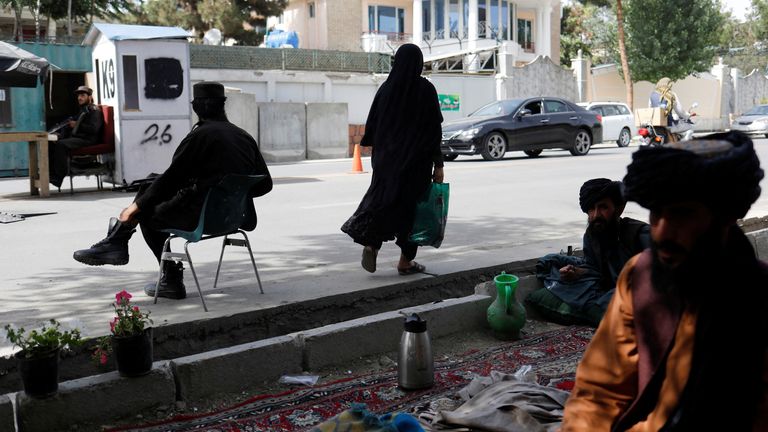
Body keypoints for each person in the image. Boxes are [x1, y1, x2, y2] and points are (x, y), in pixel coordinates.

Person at [561, 131, 768, 431]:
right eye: (656, 214)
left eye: (682, 215)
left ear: (725, 217)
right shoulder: (639, 276)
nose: (662, 232)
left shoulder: (758, 297)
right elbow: (599, 392)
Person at [72, 81, 273, 300]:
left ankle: (168, 278)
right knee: (151, 184)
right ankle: (117, 240)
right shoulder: (244, 137)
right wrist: (232, 194)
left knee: (146, 213)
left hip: (202, 219)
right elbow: (265, 184)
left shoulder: (200, 136)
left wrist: (133, 208)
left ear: (195, 107)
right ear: (223, 105)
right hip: (231, 218)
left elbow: (172, 179)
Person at [341, 43, 444, 275]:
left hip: (386, 162)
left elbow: (373, 127)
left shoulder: (386, 89)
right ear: (418, 63)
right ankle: (405, 261)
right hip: (416, 164)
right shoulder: (425, 89)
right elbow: (433, 131)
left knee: (383, 202)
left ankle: (372, 244)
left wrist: (380, 157)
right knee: (411, 211)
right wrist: (439, 164)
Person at [527, 179, 650, 326]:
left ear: (618, 208)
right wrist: (576, 272)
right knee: (552, 264)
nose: (596, 214)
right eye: (591, 209)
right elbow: (595, 269)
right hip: (611, 292)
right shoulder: (593, 235)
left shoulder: (639, 234)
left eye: (603, 207)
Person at [48, 86, 104, 188]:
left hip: (88, 140)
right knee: (52, 142)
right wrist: (60, 135)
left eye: (82, 95)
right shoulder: (83, 110)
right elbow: (73, 129)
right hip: (79, 138)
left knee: (61, 145)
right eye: (78, 95)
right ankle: (49, 174)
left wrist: (77, 124)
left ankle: (59, 176)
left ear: (90, 97)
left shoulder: (94, 110)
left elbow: (94, 129)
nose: (79, 98)